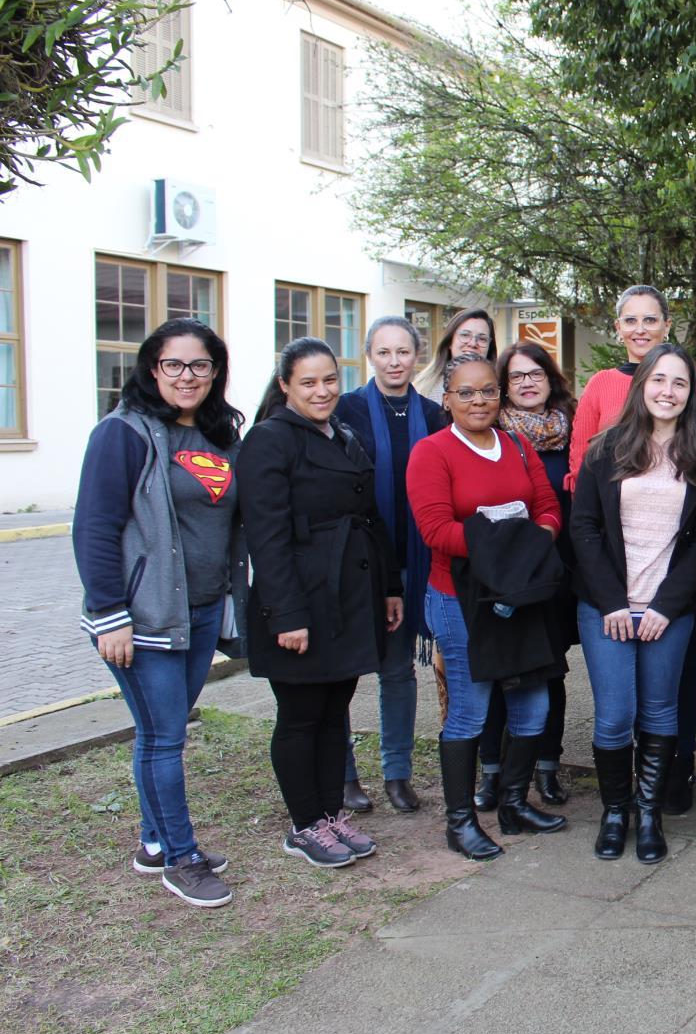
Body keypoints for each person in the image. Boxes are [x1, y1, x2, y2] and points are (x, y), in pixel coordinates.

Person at [73, 318, 246, 908]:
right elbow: (94, 528)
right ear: (153, 369)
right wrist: (109, 614)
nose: (187, 376)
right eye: (173, 364)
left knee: (160, 731)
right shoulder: (122, 434)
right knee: (165, 735)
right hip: (143, 617)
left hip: (198, 613)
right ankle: (181, 857)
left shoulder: (221, 435)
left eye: (200, 365)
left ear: (215, 371)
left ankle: (153, 841)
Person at [239, 338, 402, 869]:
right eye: (308, 382)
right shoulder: (269, 440)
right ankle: (304, 824)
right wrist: (286, 615)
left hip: (350, 595)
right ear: (285, 385)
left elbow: (371, 517)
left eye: (329, 379)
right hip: (301, 602)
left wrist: (389, 587)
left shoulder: (344, 434)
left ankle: (331, 815)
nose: (322, 390)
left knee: (336, 711)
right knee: (301, 715)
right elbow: (266, 537)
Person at [566, 285, 696, 815]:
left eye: (679, 383)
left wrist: (667, 606)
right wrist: (611, 600)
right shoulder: (605, 449)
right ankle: (616, 816)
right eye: (658, 379)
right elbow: (585, 528)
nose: (667, 390)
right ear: (642, 387)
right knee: (614, 714)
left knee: (661, 713)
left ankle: (652, 814)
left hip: (667, 608)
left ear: (692, 392)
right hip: (607, 604)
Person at [408, 354, 568, 861]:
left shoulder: (518, 446)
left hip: (517, 596)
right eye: (466, 392)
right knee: (471, 710)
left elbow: (547, 508)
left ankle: (515, 805)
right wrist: (509, 538)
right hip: (460, 598)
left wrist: (526, 537)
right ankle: (460, 822)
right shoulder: (431, 453)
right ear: (447, 399)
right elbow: (436, 531)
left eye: (488, 391)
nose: (479, 401)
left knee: (534, 704)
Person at [331, 316, 447, 814]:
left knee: (398, 673)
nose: (395, 362)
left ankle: (397, 773)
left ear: (416, 356)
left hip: (414, 565)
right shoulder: (345, 410)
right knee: (342, 676)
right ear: (369, 356)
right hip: (358, 566)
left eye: (403, 352)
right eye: (384, 353)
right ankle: (344, 777)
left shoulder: (435, 414)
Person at [486, 340, 579, 807]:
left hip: (558, 571)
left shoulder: (574, 429)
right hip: (507, 573)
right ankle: (494, 770)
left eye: (535, 374)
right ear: (503, 387)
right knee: (502, 670)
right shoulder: (493, 434)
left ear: (550, 380)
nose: (526, 383)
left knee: (550, 670)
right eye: (517, 376)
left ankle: (547, 767)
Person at [415, 308, 497, 405]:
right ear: (450, 341)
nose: (473, 343)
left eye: (482, 339)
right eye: (465, 335)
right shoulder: (424, 391)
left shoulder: (499, 388)